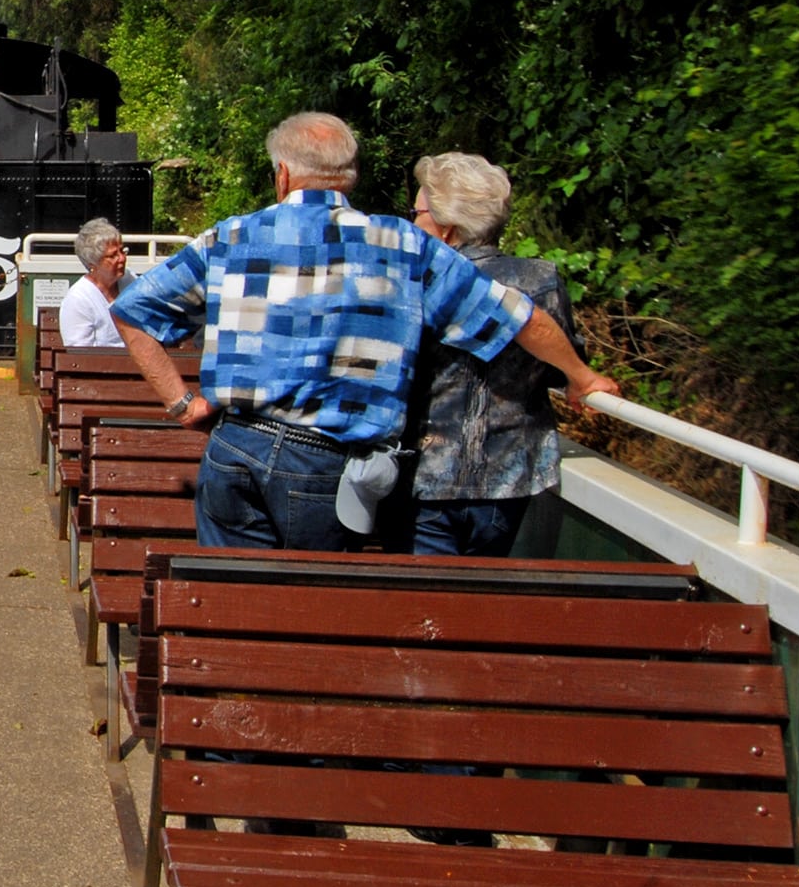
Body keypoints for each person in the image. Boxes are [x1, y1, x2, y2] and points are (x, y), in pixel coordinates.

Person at [109, 112, 618, 551]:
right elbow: (520, 318)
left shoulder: (231, 236)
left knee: (227, 607)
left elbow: (132, 311)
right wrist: (580, 375)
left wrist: (181, 403)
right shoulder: (402, 246)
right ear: (349, 176)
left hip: (236, 447)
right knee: (311, 615)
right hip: (327, 462)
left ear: (282, 175)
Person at [384, 152, 585, 557]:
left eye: (417, 211)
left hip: (424, 477)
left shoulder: (412, 281)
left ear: (446, 227)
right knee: (483, 601)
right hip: (509, 478)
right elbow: (559, 371)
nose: (413, 221)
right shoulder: (540, 279)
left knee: (427, 608)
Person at [58, 217, 132, 348]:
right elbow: (79, 356)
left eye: (122, 251)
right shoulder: (78, 299)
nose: (122, 258)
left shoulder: (129, 279)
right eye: (113, 255)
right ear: (93, 263)